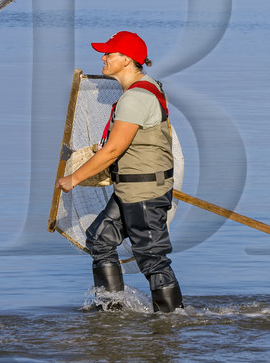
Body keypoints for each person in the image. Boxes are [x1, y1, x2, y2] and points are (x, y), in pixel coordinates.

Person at [57, 30, 183, 313]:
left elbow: (113, 150)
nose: (103, 58)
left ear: (127, 60)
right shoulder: (147, 87)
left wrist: (74, 178)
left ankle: (173, 319)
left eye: (109, 54)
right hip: (131, 189)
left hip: (143, 192)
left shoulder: (136, 98)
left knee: (152, 259)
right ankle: (112, 310)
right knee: (100, 240)